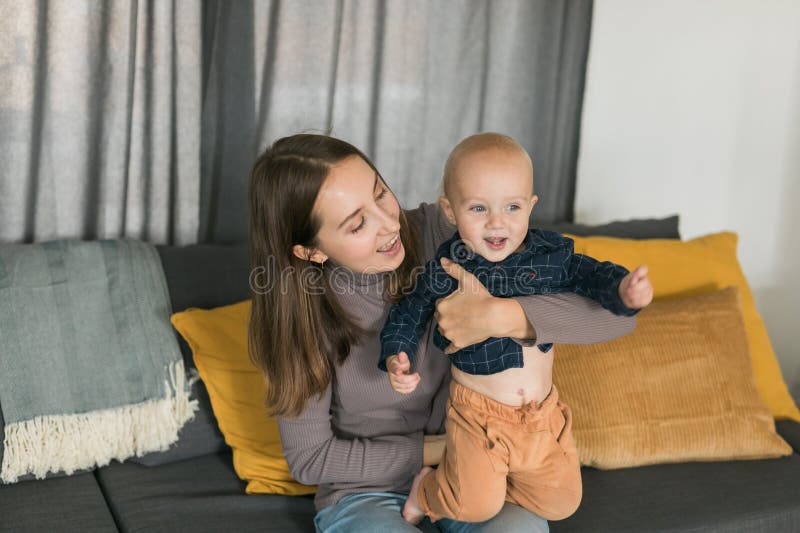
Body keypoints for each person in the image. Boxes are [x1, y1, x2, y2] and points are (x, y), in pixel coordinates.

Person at [247, 133, 637, 533]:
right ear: (311, 251)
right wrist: (440, 450)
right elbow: (311, 459)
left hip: (481, 476)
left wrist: (503, 317)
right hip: (368, 491)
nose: (388, 224)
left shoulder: (448, 231)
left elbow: (620, 318)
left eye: (381, 194)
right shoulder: (299, 321)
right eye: (358, 223)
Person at [378, 133, 654, 524]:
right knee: (476, 506)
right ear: (451, 211)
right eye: (478, 208)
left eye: (512, 206)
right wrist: (397, 354)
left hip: (542, 414)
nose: (497, 222)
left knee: (562, 503)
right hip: (479, 416)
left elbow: (589, 274)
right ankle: (427, 490)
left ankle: (493, 477)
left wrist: (623, 290)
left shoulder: (550, 257)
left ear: (530, 206)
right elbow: (410, 311)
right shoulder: (449, 267)